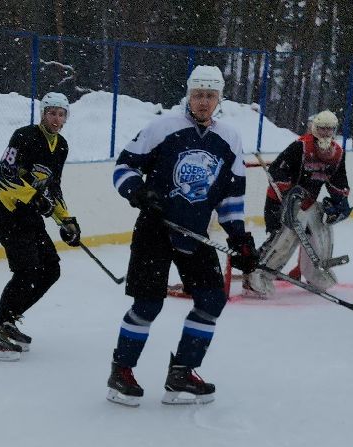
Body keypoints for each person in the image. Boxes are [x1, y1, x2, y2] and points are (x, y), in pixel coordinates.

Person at [106, 64, 253, 406]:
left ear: (220, 98)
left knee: (212, 300)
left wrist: (239, 238)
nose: (204, 102)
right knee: (148, 303)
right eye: (198, 94)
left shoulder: (229, 137)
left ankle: (182, 373)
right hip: (155, 230)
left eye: (210, 96)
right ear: (188, 94)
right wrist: (138, 192)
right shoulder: (162, 127)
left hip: (195, 234)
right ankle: (121, 371)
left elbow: (232, 196)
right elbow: (123, 167)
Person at [0, 92, 80, 361]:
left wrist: (67, 220)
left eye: (61, 114)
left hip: (30, 217)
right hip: (9, 212)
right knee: (27, 271)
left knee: (51, 269)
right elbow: (6, 173)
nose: (56, 119)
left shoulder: (61, 146)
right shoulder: (24, 136)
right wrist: (34, 198)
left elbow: (54, 187)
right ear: (43, 114)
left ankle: (9, 322)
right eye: (52, 113)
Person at [245, 109, 352, 298]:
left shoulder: (337, 154)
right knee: (284, 240)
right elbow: (278, 169)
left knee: (322, 232)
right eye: (321, 128)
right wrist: (289, 192)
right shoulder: (300, 147)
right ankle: (257, 276)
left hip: (307, 203)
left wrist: (340, 201)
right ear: (314, 128)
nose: (325, 133)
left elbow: (338, 181)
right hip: (280, 201)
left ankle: (317, 275)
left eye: (329, 129)